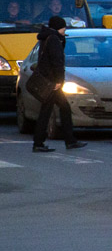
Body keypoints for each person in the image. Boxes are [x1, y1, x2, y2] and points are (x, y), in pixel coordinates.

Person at [31, 15, 86, 153]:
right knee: (50, 110)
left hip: (47, 79)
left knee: (61, 108)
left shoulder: (47, 38)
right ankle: (40, 142)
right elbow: (57, 62)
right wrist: (59, 81)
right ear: (58, 27)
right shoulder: (54, 39)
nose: (64, 29)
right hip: (52, 82)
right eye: (63, 27)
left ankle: (68, 140)